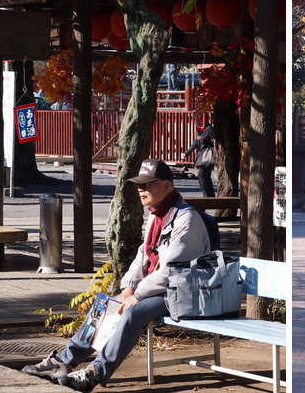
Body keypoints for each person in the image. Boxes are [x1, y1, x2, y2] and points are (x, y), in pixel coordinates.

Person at [21, 158, 211, 391]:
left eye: (148, 184)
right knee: (106, 303)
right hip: (160, 290)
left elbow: (174, 271)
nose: (141, 189)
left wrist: (138, 295)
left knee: (134, 311)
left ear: (166, 186)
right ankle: (63, 362)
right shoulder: (156, 214)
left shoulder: (187, 218)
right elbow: (144, 255)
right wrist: (129, 287)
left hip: (185, 293)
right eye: (139, 185)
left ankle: (95, 372)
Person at [183, 118, 215, 197]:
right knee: (205, 176)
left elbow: (215, 141)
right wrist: (187, 153)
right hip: (203, 155)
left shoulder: (209, 128)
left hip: (207, 155)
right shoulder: (200, 129)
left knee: (202, 175)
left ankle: (207, 195)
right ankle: (209, 195)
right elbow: (196, 142)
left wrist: (204, 140)